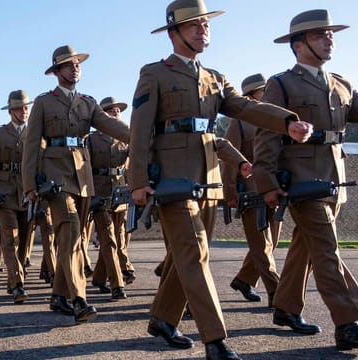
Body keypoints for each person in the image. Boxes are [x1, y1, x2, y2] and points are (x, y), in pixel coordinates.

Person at [128, 1, 312, 358]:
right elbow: (139, 130)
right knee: (194, 253)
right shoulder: (155, 73)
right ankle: (215, 339)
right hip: (171, 180)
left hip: (208, 180)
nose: (203, 30)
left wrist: (287, 121)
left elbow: (245, 108)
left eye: (206, 25)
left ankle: (163, 319)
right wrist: (138, 179)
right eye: (194, 25)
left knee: (195, 253)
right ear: (173, 32)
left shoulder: (215, 78)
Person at [253, 9, 358, 350]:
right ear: (299, 45)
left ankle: (285, 307)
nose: (329, 39)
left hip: (334, 178)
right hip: (301, 180)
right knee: (326, 250)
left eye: (331, 34)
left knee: (306, 248)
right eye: (320, 35)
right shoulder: (281, 83)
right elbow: (267, 133)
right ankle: (348, 322)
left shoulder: (341, 83)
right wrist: (266, 181)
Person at [22, 45, 130, 324]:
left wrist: (142, 138)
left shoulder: (87, 103)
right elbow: (32, 144)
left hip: (83, 176)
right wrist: (29, 183)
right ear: (57, 72)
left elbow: (111, 126)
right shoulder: (44, 103)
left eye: (77, 64)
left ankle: (58, 296)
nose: (75, 68)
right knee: (69, 231)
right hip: (54, 175)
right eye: (68, 65)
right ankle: (78, 299)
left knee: (75, 237)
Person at [221, 74, 281, 307]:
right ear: (250, 95)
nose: (267, 93)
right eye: (262, 90)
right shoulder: (239, 122)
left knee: (271, 243)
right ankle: (277, 293)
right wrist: (230, 191)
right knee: (261, 244)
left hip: (276, 188)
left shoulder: (277, 118)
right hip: (251, 192)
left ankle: (244, 280)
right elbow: (228, 157)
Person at [0, 90, 35, 303]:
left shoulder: (34, 132)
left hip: (28, 193)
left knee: (24, 241)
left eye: (26, 108)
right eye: (19, 109)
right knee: (10, 239)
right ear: (11, 111)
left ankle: (13, 280)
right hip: (5, 193)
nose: (24, 112)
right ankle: (19, 284)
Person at [87, 96, 130, 301]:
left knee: (118, 238)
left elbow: (132, 165)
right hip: (100, 192)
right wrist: (89, 195)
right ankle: (117, 284)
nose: (116, 113)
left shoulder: (126, 137)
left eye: (118, 110)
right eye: (111, 111)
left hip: (120, 192)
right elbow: (84, 169)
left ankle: (98, 278)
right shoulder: (92, 139)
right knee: (108, 238)